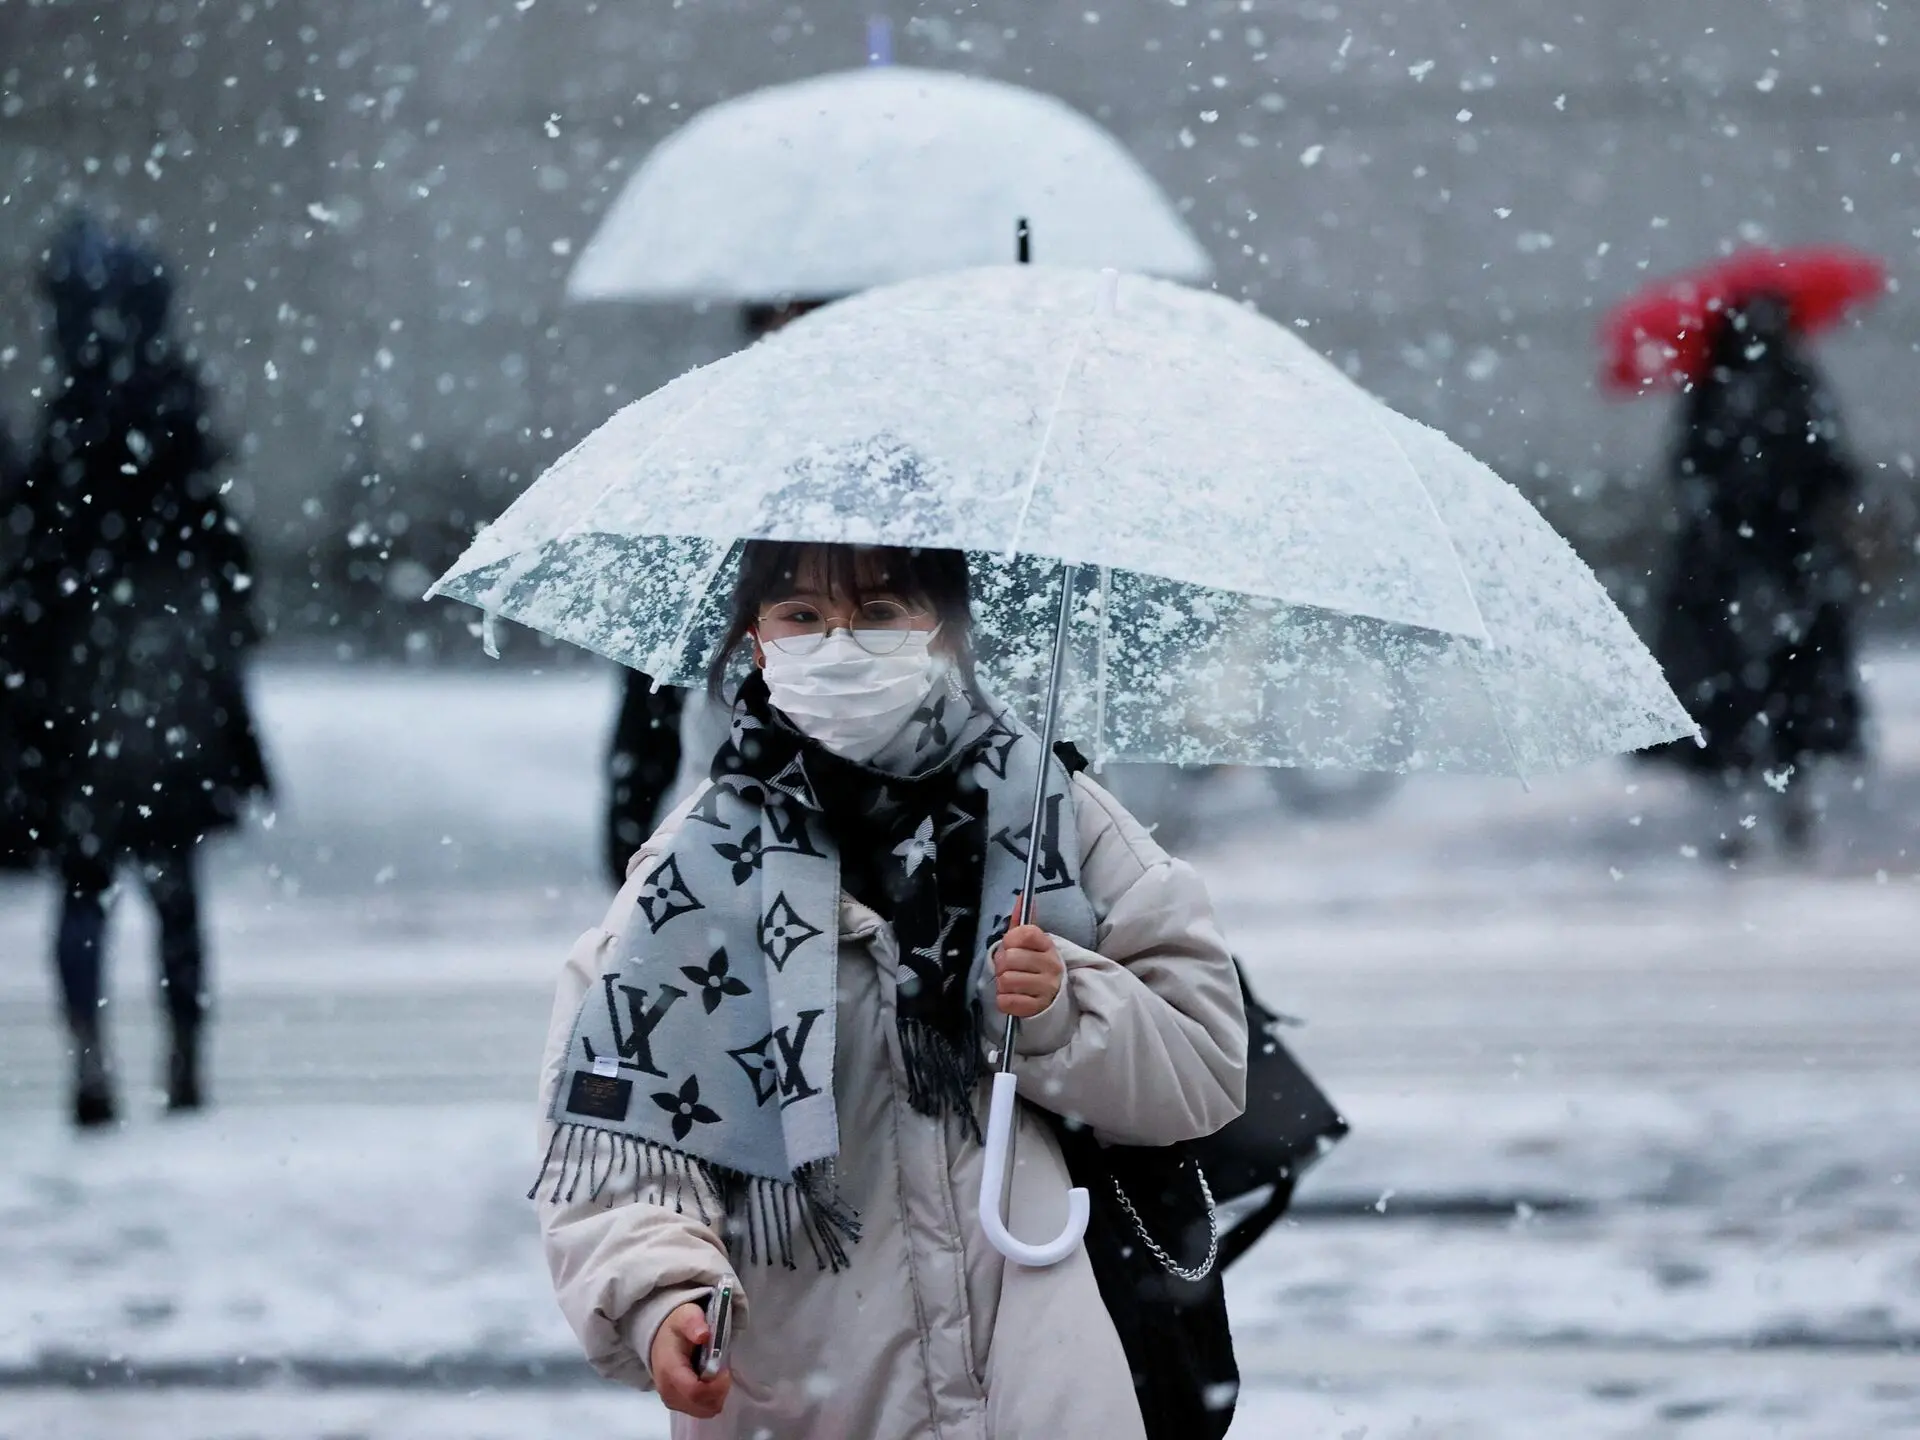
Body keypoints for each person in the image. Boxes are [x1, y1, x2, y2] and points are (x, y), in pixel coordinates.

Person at [538, 541, 1248, 1437]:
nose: (837, 643)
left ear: (943, 633)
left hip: (1049, 1372)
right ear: (756, 642)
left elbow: (1207, 1066)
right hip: (808, 1383)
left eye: (877, 613)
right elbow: (617, 1141)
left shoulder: (1053, 818)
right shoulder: (693, 872)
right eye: (801, 615)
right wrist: (660, 1295)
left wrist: (1065, 1011)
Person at [0, 214, 270, 1126]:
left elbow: (31, 578)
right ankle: (184, 1063)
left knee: (85, 886)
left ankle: (91, 1065)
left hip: (82, 688)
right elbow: (229, 572)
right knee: (171, 880)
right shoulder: (178, 418)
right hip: (173, 686)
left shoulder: (68, 425)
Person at [602, 300, 833, 886]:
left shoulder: (895, 485)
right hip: (725, 819)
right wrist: (634, 830)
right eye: (774, 326)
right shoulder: (713, 474)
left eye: (808, 322)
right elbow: (656, 684)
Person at [1645, 293, 1866, 856]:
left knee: (1742, 691)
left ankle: (1751, 809)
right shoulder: (1793, 386)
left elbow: (1690, 467)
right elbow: (1830, 467)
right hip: (1775, 560)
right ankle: (1774, 805)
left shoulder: (1719, 387)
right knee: (1780, 689)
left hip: (1745, 563)